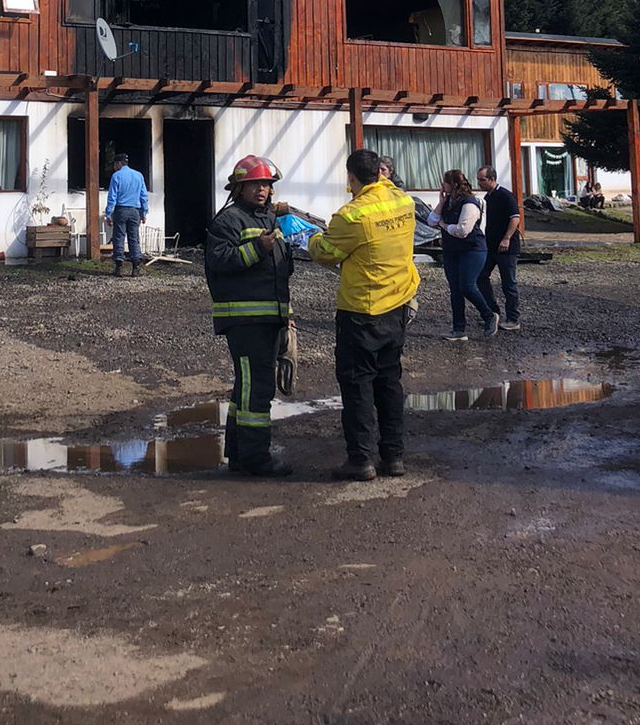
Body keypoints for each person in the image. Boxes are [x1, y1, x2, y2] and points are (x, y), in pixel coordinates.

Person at [309, 148, 420, 481]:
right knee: (390, 384)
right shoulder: (403, 202)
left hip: (362, 311)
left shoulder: (352, 215)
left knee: (358, 386)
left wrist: (314, 237)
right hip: (398, 305)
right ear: (382, 173)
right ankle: (394, 456)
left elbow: (327, 253)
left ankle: (360, 461)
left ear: (351, 177)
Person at [203, 154, 295, 477]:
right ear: (239, 187)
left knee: (246, 387)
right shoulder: (227, 221)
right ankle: (257, 459)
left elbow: (280, 272)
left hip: (268, 318)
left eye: (267, 185)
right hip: (244, 322)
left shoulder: (269, 220)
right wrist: (258, 249)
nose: (263, 190)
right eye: (256, 183)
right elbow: (220, 261)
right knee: (257, 389)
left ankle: (240, 454)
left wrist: (288, 315)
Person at [430, 169, 494, 341]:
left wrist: (443, 225)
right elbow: (431, 220)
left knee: (467, 285)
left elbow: (462, 230)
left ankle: (489, 315)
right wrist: (441, 202)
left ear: (452, 184)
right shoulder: (449, 201)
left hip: (472, 249)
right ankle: (459, 329)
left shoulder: (470, 203)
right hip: (452, 250)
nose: (442, 185)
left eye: (445, 182)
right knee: (455, 289)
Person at [475, 165, 522, 331]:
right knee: (481, 276)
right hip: (490, 246)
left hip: (506, 246)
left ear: (492, 179)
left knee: (508, 282)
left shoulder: (505, 195)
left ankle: (513, 318)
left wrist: (507, 238)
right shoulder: (487, 198)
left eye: (482, 179)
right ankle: (493, 312)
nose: (479, 183)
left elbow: (515, 218)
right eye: (478, 179)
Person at [105, 153, 148, 277]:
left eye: (114, 164)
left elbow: (112, 197)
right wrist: (144, 212)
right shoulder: (138, 175)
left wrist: (108, 213)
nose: (114, 167)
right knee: (134, 238)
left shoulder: (116, 176)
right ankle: (135, 268)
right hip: (135, 211)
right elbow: (143, 196)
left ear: (119, 163)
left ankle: (119, 267)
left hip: (121, 210)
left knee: (119, 237)